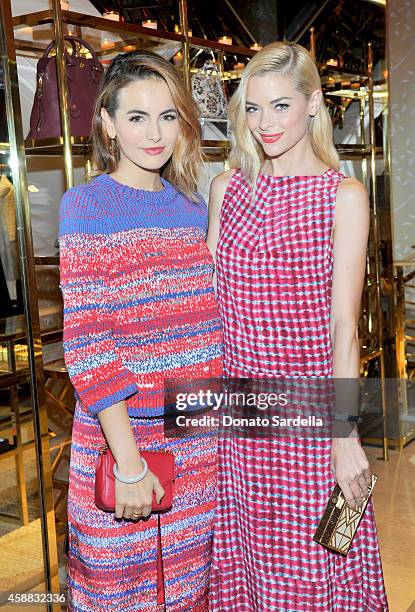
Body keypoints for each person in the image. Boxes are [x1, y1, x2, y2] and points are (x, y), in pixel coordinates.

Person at [207, 42, 388, 610]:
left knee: (313, 570)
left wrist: (343, 434)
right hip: (237, 418)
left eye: (280, 106)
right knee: (250, 570)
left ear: (313, 104)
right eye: (253, 109)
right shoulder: (227, 189)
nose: (265, 124)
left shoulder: (344, 197)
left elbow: (343, 327)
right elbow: (211, 308)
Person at [59, 50, 222, 611]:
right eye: (136, 117)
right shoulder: (86, 207)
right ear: (106, 122)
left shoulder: (192, 207)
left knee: (187, 595)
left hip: (197, 446)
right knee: (117, 595)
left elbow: (208, 331)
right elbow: (88, 344)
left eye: (168, 116)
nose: (156, 134)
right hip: (121, 442)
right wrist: (128, 462)